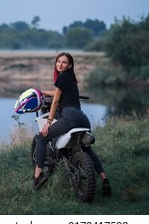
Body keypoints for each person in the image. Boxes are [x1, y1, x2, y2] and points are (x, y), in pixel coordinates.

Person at [34, 52, 111, 196]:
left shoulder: (62, 76)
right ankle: (105, 180)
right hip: (83, 118)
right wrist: (41, 91)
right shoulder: (70, 78)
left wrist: (48, 123)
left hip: (69, 117)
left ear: (69, 65)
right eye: (58, 61)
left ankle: (37, 177)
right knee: (86, 148)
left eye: (64, 62)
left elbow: (56, 101)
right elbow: (57, 93)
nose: (60, 64)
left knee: (41, 137)